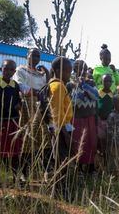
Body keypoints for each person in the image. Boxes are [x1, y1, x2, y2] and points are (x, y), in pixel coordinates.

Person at [14, 48, 50, 182]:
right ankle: (24, 172)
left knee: (44, 138)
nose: (35, 57)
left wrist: (47, 72)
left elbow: (47, 88)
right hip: (27, 107)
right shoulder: (20, 70)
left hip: (41, 107)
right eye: (32, 55)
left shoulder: (42, 74)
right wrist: (37, 92)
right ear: (27, 56)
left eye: (37, 55)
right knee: (27, 139)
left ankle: (46, 171)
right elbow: (19, 86)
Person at [0, 59, 22, 183]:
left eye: (12, 69)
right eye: (6, 68)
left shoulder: (15, 85)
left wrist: (18, 105)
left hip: (13, 122)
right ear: (1, 69)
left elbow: (18, 100)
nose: (9, 71)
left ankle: (15, 177)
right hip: (0, 123)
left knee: (14, 151)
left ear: (14, 71)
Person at [68, 60, 99, 174]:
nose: (83, 71)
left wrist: (84, 86)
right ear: (74, 70)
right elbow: (73, 101)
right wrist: (84, 93)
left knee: (91, 142)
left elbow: (96, 96)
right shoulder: (70, 84)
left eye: (85, 69)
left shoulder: (90, 82)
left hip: (90, 117)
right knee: (79, 142)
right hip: (78, 118)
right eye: (80, 69)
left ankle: (91, 167)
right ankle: (79, 167)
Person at [47, 57, 73, 186]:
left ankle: (61, 187)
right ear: (58, 70)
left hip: (61, 128)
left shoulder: (56, 84)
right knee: (62, 160)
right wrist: (65, 134)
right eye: (68, 71)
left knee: (60, 159)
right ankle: (62, 189)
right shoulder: (57, 86)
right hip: (60, 130)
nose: (70, 74)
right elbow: (57, 115)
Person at [97, 74, 114, 158]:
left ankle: (107, 160)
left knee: (109, 142)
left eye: (109, 81)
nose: (108, 83)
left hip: (110, 122)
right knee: (101, 141)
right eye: (105, 81)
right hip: (100, 122)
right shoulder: (98, 94)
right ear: (101, 82)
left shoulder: (112, 94)